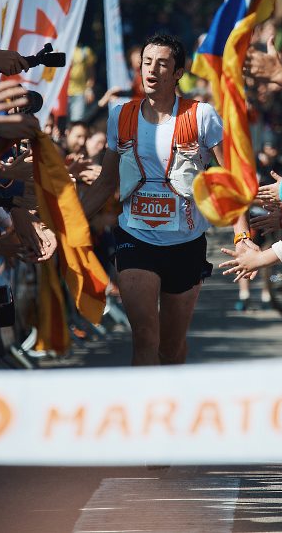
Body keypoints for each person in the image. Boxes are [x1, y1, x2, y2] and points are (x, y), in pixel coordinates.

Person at [81, 34, 252, 365]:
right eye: (147, 62)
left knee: (172, 348)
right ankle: (144, 411)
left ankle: (172, 405)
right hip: (135, 238)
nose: (152, 70)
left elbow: (230, 183)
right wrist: (62, 225)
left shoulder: (201, 116)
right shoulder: (122, 116)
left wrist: (242, 236)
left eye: (162, 63)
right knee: (145, 337)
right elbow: (105, 182)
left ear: (178, 73)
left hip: (185, 243)